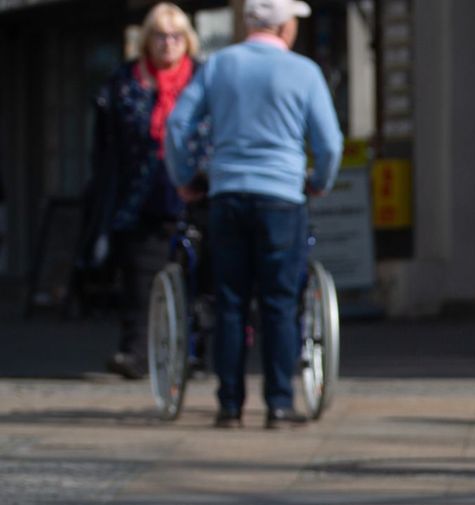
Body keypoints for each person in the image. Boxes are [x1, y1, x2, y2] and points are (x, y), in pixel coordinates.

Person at [165, 0, 341, 429]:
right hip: (282, 195)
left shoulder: (219, 65)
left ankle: (229, 405)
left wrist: (184, 177)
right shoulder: (303, 72)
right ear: (283, 27)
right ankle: (279, 404)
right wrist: (319, 180)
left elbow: (177, 125)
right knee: (280, 302)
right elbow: (330, 142)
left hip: (228, 194)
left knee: (230, 301)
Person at [82, 3, 202, 380]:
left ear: (188, 41)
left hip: (192, 194)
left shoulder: (202, 80)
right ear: (146, 40)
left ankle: (193, 353)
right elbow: (105, 144)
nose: (168, 43)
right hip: (139, 195)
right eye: (160, 35)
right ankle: (137, 352)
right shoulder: (125, 82)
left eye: (176, 36)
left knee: (196, 277)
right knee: (138, 279)